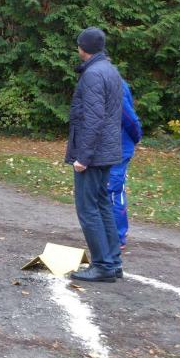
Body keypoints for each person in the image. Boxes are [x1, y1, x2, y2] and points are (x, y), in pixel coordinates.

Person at [66, 27, 124, 283]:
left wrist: (83, 157)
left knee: (88, 209)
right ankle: (113, 262)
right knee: (102, 205)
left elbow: (93, 119)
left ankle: (102, 265)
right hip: (107, 151)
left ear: (83, 48)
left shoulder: (92, 74)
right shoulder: (110, 70)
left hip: (94, 154)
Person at [108, 79, 142, 249]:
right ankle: (113, 233)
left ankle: (117, 236)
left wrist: (136, 137)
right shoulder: (109, 80)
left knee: (113, 191)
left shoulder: (114, 83)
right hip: (111, 147)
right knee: (112, 190)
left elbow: (129, 118)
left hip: (118, 148)